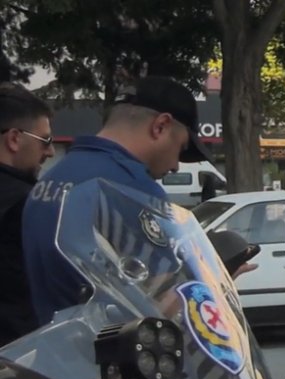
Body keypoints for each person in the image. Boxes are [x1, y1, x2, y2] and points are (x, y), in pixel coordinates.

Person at [22, 76, 215, 325]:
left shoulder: (52, 179)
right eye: (180, 148)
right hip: (107, 355)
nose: (176, 165)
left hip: (53, 352)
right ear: (161, 126)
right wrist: (213, 282)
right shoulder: (131, 189)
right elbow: (169, 304)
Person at [0, 84, 53, 346]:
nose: (50, 152)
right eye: (45, 140)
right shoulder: (29, 203)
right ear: (14, 139)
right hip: (17, 355)